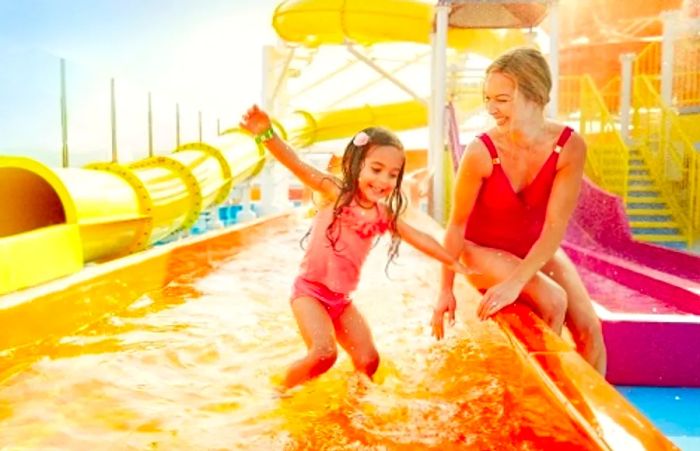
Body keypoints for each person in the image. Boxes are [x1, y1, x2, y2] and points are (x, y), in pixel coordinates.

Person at [240, 105, 473, 389]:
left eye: (392, 174)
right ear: (356, 164)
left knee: (369, 360)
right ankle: (279, 390)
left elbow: (419, 237)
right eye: (376, 169)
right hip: (310, 293)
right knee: (324, 354)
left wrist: (451, 261)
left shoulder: (383, 215)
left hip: (341, 301)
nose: (383, 180)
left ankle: (357, 400)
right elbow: (296, 164)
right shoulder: (335, 192)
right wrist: (266, 133)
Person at [430, 47, 607, 374]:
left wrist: (517, 281)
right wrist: (445, 290)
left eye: (502, 99)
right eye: (488, 99)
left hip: (533, 248)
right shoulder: (481, 151)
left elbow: (555, 227)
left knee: (590, 330)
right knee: (553, 300)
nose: (491, 108)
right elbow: (455, 226)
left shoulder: (569, 146)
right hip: (480, 251)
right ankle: (545, 395)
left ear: (534, 95)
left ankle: (590, 418)